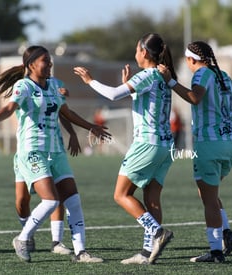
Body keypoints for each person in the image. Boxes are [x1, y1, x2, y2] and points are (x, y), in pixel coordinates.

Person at [0, 45, 109, 263]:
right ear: (31, 65)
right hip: (32, 151)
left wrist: (90, 127)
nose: (50, 65)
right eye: (45, 61)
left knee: (73, 200)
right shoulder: (24, 86)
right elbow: (10, 108)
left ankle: (81, 252)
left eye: (50, 61)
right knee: (49, 201)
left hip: (56, 151)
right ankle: (23, 239)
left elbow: (66, 112)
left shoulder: (55, 86)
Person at [74, 33, 177, 265]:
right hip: (165, 145)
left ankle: (158, 232)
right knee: (152, 199)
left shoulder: (148, 74)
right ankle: (145, 252)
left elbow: (112, 94)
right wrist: (129, 86)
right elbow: (147, 102)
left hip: (147, 144)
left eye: (136, 49)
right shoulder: (162, 76)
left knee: (121, 194)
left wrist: (90, 81)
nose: (134, 53)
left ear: (143, 52)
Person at [159, 40, 232, 263]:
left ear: (191, 60)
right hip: (229, 145)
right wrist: (230, 134)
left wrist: (170, 82)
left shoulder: (201, 74)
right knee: (209, 194)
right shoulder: (223, 75)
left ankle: (216, 251)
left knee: (209, 200)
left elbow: (195, 97)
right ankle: (226, 231)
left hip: (209, 145)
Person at [15, 113, 81, 256]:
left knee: (55, 197)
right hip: (27, 152)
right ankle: (27, 234)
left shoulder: (52, 90)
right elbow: (9, 108)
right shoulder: (23, 91)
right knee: (22, 201)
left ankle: (56, 242)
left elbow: (61, 110)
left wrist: (72, 133)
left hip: (54, 149)